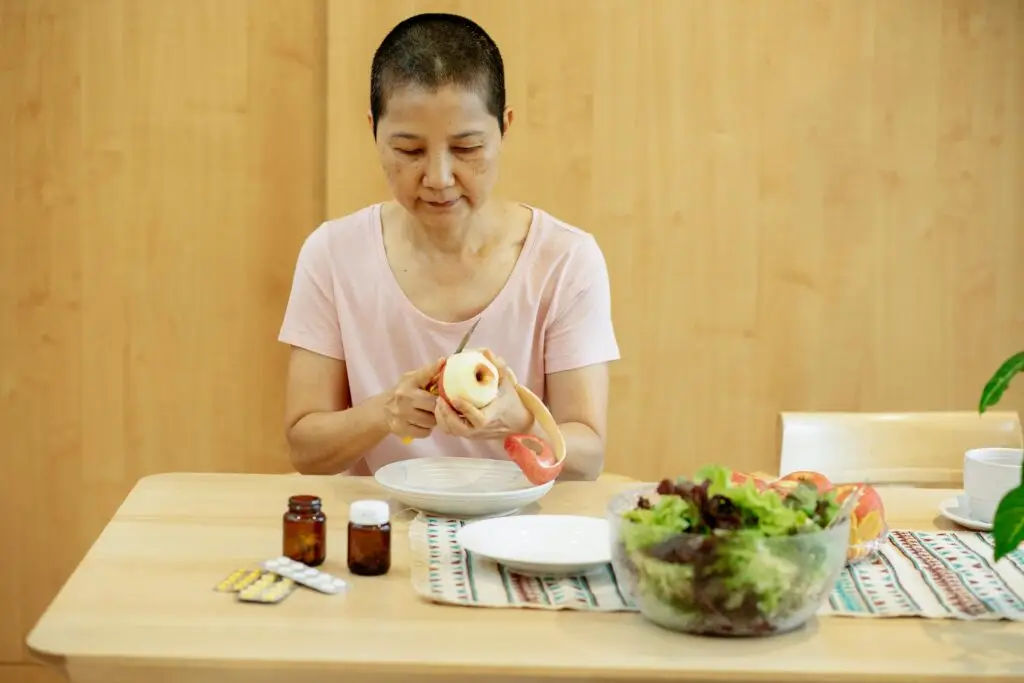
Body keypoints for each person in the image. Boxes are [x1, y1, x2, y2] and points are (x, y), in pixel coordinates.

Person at [278, 12, 620, 480]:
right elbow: (305, 449)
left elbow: (587, 458)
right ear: (373, 131)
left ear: (505, 128)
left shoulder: (565, 261)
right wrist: (384, 413)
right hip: (380, 532)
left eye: (466, 148)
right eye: (409, 151)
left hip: (517, 534)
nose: (438, 179)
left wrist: (516, 419)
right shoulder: (332, 255)